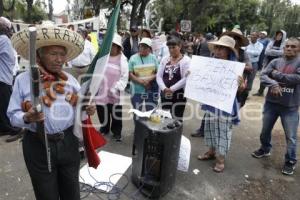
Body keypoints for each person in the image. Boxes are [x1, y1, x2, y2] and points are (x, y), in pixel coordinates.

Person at [7, 25, 96, 200]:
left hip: (69, 143)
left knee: (72, 192)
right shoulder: (23, 80)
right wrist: (26, 117)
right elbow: (12, 115)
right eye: (53, 54)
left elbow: (81, 108)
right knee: (46, 194)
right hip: (37, 144)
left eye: (62, 54)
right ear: (39, 54)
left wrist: (87, 107)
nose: (59, 59)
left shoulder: (70, 80)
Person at [251, 38, 300, 176]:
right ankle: (265, 149)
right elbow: (263, 76)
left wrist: (276, 74)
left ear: (299, 49)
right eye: (287, 46)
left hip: (290, 107)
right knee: (265, 130)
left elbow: (296, 78)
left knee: (290, 137)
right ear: (283, 48)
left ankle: (290, 161)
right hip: (271, 104)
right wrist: (273, 84)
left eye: (293, 46)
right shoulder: (275, 61)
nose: (289, 48)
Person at [197, 35, 245, 173]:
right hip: (211, 103)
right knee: (210, 127)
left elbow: (240, 89)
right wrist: (193, 75)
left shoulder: (236, 67)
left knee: (223, 132)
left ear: (229, 51)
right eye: (217, 47)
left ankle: (221, 159)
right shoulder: (210, 63)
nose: (218, 51)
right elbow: (202, 80)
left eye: (222, 48)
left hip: (226, 105)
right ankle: (211, 152)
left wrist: (241, 86)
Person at [95, 34, 128, 142]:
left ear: (118, 47)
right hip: (102, 90)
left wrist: (117, 86)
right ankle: (104, 128)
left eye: (114, 45)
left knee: (116, 113)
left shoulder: (122, 59)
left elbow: (125, 76)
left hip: (115, 92)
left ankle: (116, 131)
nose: (112, 47)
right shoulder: (103, 56)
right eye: (110, 45)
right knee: (102, 110)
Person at [0, 16, 25, 142]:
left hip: (3, 78)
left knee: (6, 106)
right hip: (3, 78)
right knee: (2, 106)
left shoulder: (3, 39)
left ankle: (16, 129)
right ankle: (5, 128)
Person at [156, 36, 190, 120]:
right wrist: (164, 88)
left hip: (179, 95)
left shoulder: (186, 60)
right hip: (165, 93)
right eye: (169, 48)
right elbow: (159, 76)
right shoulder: (165, 59)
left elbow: (186, 78)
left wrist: (172, 89)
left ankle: (176, 133)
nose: (171, 50)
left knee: (176, 117)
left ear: (180, 46)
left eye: (174, 47)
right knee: (165, 116)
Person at [129, 38, 159, 119]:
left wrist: (148, 80)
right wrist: (141, 81)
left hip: (150, 89)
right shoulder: (133, 58)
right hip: (137, 90)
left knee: (151, 111)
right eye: (141, 46)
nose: (142, 48)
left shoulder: (153, 58)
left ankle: (150, 130)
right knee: (137, 111)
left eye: (145, 47)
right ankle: (138, 130)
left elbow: (158, 72)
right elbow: (130, 73)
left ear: (150, 49)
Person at [253, 30, 287, 96]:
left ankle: (273, 92)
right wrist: (277, 51)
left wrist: (272, 51)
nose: (278, 36)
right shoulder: (271, 42)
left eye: (280, 35)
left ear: (283, 36)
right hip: (268, 63)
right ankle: (260, 91)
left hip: (278, 65)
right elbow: (266, 52)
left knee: (275, 78)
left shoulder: (285, 44)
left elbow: (283, 53)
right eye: (277, 35)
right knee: (264, 76)